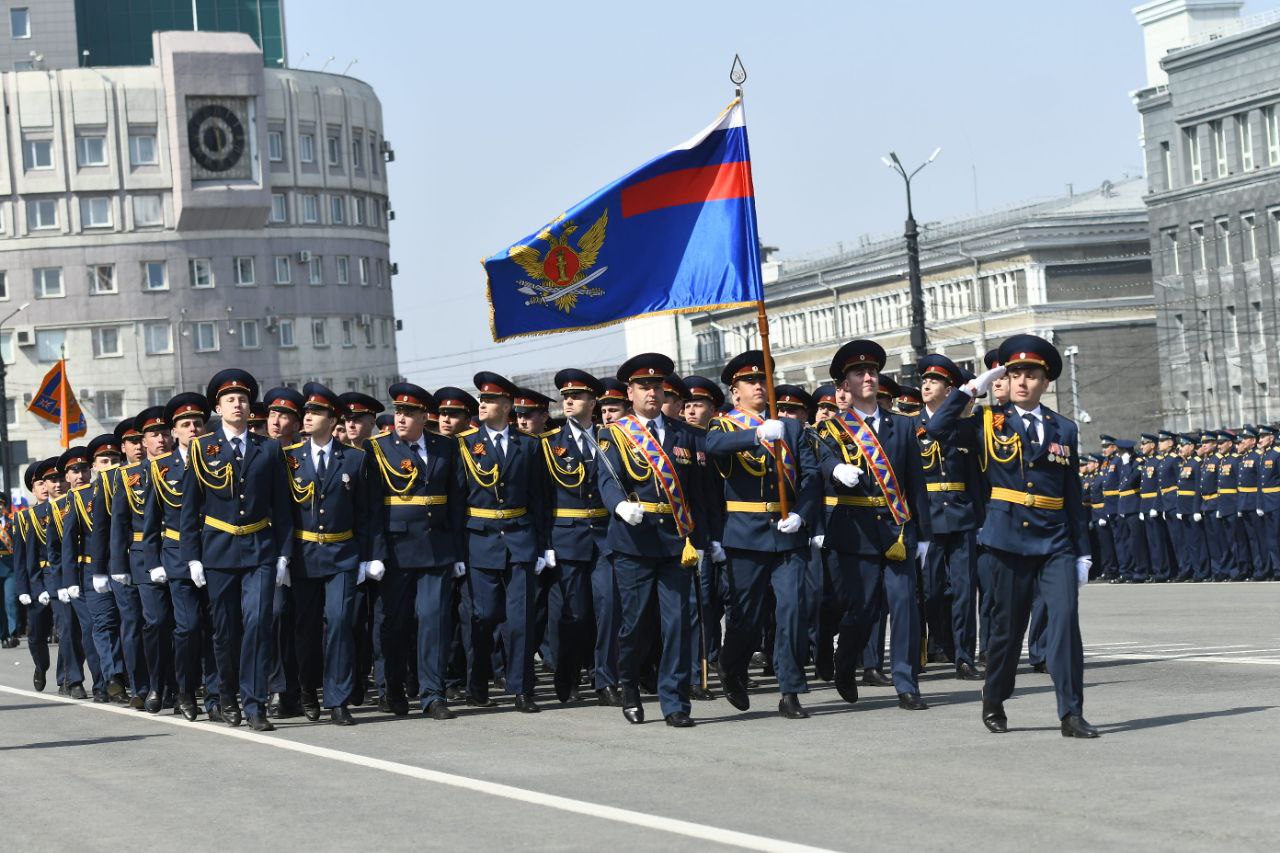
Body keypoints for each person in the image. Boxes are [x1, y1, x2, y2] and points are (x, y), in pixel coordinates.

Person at [928, 334, 1097, 738]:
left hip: (1055, 541)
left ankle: (1071, 713)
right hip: (1005, 542)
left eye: (1032, 374)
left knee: (1065, 624)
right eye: (1015, 373)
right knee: (1006, 630)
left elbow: (1072, 494)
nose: (1022, 381)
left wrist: (1082, 552)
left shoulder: (1064, 428)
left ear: (1046, 381)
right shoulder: (988, 421)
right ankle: (995, 697)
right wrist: (972, 389)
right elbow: (935, 428)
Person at [815, 340, 931, 711]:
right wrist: (835, 468)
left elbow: (916, 483)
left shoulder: (902, 426)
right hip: (856, 530)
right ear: (843, 384)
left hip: (897, 530)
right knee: (862, 609)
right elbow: (820, 463)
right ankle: (845, 663)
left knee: (904, 606)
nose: (867, 377)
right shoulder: (833, 429)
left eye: (872, 372)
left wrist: (924, 535)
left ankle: (905, 682)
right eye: (858, 373)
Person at [706, 352, 819, 719]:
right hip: (746, 535)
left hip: (788, 534)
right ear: (735, 391)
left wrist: (802, 514)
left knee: (793, 609)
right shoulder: (725, 427)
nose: (759, 385)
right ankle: (732, 664)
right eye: (750, 381)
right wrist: (754, 434)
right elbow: (713, 448)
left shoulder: (793, 428)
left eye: (763, 379)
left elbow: (812, 478)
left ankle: (790, 690)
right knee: (747, 615)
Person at [597, 354, 708, 727]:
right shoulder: (615, 433)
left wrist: (704, 538)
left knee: (677, 621)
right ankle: (628, 684)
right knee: (637, 623)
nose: (651, 392)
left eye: (657, 387)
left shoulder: (684, 434)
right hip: (634, 539)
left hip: (676, 539)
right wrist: (618, 508)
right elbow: (607, 480)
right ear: (630, 392)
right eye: (644, 387)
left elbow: (698, 493)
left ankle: (674, 702)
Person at [180, 369, 294, 731]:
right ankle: (226, 694)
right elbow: (189, 507)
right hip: (218, 550)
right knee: (225, 631)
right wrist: (193, 556)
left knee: (259, 623)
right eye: (230, 399)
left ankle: (255, 702)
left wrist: (283, 555)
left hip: (260, 547)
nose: (238, 404)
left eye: (243, 399)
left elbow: (283, 506)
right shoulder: (203, 448)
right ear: (218, 407)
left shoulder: (269, 448)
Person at [366, 383, 466, 719]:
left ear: (426, 416)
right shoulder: (377, 448)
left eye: (410, 413)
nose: (402, 419)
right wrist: (376, 552)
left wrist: (456, 552)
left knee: (434, 620)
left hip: (436, 547)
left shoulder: (444, 447)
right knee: (395, 623)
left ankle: (432, 694)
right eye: (399, 412)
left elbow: (455, 500)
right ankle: (392, 688)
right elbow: (372, 508)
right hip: (396, 549)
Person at [457, 372, 549, 713]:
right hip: (479, 538)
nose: (482, 404)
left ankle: (522, 687)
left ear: (507, 406)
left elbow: (540, 498)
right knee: (483, 615)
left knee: (520, 617)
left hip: (520, 536)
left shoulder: (529, 445)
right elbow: (457, 500)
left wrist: (544, 546)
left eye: (490, 400)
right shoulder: (465, 444)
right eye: (481, 399)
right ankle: (478, 681)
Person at [284, 383, 374, 725]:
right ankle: (308, 689)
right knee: (306, 630)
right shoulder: (290, 458)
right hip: (304, 555)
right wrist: (283, 556)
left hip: (342, 554)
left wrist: (367, 556)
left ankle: (338, 699)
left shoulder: (354, 458)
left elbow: (366, 513)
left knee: (339, 623)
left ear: (332, 418)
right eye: (306, 412)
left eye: (315, 412)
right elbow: (283, 513)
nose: (307, 417)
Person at [540, 369, 622, 706]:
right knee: (575, 613)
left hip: (604, 536)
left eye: (576, 396)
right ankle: (568, 674)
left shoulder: (610, 440)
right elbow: (540, 500)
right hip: (566, 538)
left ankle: (605, 679)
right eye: (565, 396)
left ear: (594, 401)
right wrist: (545, 545)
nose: (568, 401)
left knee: (609, 607)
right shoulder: (548, 445)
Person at [142, 393, 221, 722]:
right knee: (187, 628)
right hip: (176, 556)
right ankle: (186, 691)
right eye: (185, 424)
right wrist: (153, 562)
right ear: (174, 432)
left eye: (198, 423)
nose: (192, 428)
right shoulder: (160, 469)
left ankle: (217, 695)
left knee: (218, 628)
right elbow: (149, 521)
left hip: (217, 552)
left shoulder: (220, 460)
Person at [915, 354, 985, 680]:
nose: (926, 384)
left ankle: (964, 656)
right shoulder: (909, 423)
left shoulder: (965, 427)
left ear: (949, 389)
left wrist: (980, 517)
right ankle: (939, 643)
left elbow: (976, 477)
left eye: (935, 381)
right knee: (930, 591)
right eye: (924, 380)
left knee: (964, 589)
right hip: (926, 517)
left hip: (960, 514)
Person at [69, 433, 132, 704]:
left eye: (115, 459)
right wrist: (69, 580)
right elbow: (69, 542)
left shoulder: (134, 485)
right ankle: (113, 677)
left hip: (130, 564)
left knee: (131, 623)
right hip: (96, 570)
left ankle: (135, 677)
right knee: (104, 623)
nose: (111, 464)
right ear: (94, 466)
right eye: (104, 460)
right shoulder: (83, 497)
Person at [46, 446, 105, 701]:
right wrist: (62, 582)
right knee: (70, 629)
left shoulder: (98, 496)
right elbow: (55, 550)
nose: (80, 475)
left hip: (91, 573)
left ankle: (103, 681)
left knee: (93, 626)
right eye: (74, 471)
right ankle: (73, 678)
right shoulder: (57, 507)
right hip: (67, 579)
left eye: (83, 469)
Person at [262, 386, 306, 719]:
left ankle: (305, 688)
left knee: (305, 622)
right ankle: (278, 688)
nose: (278, 421)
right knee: (274, 617)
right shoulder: (259, 453)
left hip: (311, 548)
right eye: (274, 414)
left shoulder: (308, 454)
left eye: (286, 415)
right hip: (271, 549)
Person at [15, 459, 58, 690]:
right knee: (36, 633)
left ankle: (67, 677)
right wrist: (23, 589)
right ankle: (41, 666)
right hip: (35, 580)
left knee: (69, 630)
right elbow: (20, 557)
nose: (44, 487)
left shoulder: (65, 508)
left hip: (59, 576)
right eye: (39, 483)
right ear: (33, 488)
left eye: (46, 482)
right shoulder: (24, 518)